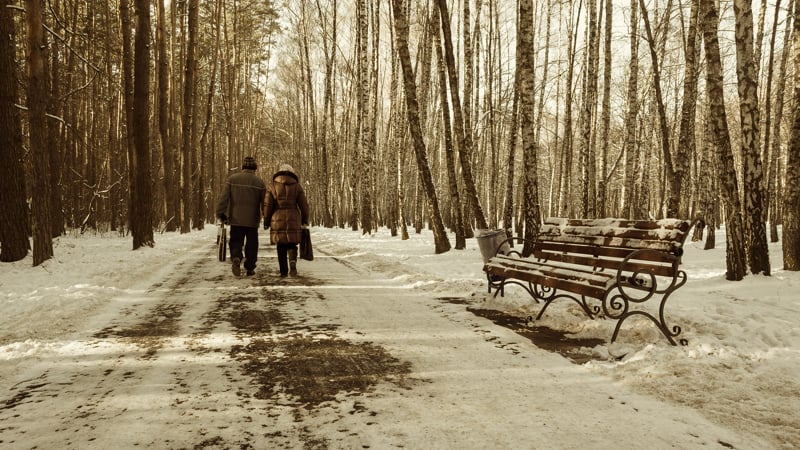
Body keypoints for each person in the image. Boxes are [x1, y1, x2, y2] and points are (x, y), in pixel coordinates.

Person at [216, 156, 267, 277]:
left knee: (236, 241)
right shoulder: (259, 182)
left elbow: (223, 198)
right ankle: (249, 267)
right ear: (255, 168)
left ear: (243, 167)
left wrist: (220, 213)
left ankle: (236, 257)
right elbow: (265, 203)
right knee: (252, 245)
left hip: (236, 219)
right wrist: (267, 217)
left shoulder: (232, 179)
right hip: (252, 220)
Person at [263, 163, 310, 277]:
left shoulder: (272, 186)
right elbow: (304, 205)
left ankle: (283, 271)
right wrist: (305, 219)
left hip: (277, 217)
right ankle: (292, 261)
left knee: (281, 246)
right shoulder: (297, 186)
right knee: (292, 243)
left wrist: (266, 221)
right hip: (293, 216)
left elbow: (267, 205)